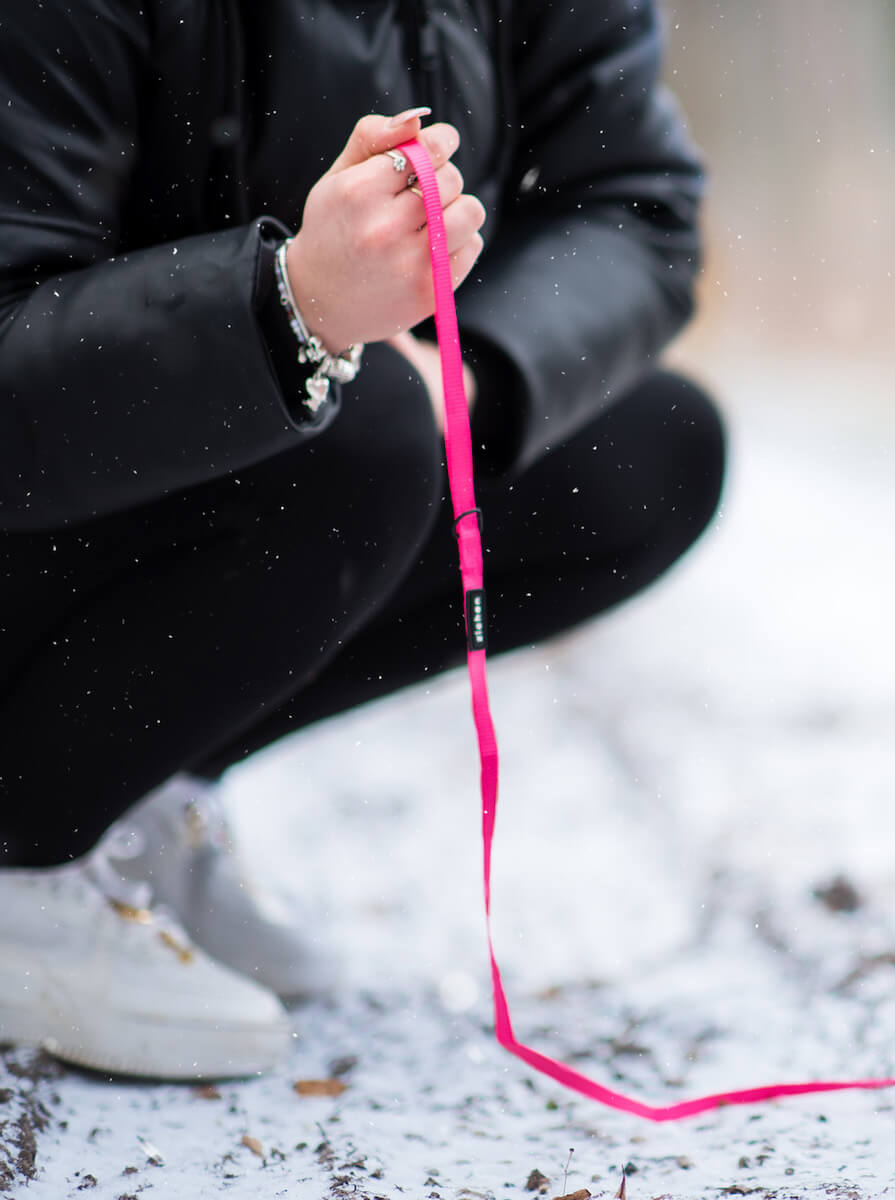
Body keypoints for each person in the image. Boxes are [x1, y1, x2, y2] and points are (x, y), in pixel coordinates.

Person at [0, 1, 722, 1081]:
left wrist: (472, 371)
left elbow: (635, 205)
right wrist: (287, 306)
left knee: (646, 453)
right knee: (372, 422)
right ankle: (21, 851)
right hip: (41, 489)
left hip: (300, 427)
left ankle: (127, 787)